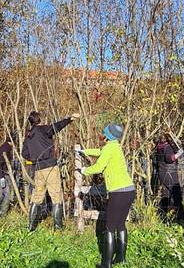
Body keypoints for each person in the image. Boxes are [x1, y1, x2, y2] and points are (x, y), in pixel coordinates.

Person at [78, 124, 135, 268]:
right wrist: (84, 151)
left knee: (110, 227)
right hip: (129, 190)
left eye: (103, 132)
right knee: (121, 224)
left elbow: (99, 167)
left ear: (108, 136)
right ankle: (121, 258)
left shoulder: (110, 148)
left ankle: (106, 264)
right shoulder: (115, 146)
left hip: (118, 192)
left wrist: (84, 170)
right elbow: (100, 151)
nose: (101, 134)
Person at [22, 111, 79, 231]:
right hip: (50, 167)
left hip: (37, 169)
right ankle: (58, 228)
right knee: (56, 196)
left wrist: (33, 159)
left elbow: (24, 154)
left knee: (37, 196)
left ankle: (31, 227)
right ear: (39, 120)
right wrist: (70, 119)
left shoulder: (28, 135)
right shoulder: (42, 130)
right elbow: (57, 126)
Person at [155, 134, 184, 221]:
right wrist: (179, 154)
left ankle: (162, 217)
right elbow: (169, 159)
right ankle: (180, 218)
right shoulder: (167, 147)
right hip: (170, 173)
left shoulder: (159, 147)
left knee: (166, 195)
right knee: (176, 195)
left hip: (162, 173)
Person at [0, 133, 16, 217]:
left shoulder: (5, 147)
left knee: (0, 191)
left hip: (1, 173)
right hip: (1, 174)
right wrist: (2, 177)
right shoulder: (5, 148)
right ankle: (2, 213)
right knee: (7, 192)